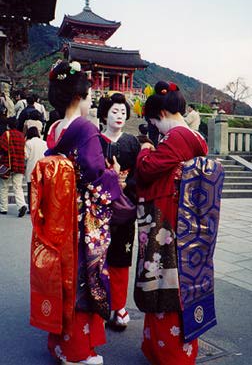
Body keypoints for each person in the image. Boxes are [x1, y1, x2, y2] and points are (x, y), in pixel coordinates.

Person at [30, 60, 121, 365]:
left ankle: (58, 343)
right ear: (78, 97)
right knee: (83, 278)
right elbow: (95, 173)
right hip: (81, 218)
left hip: (58, 218)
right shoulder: (85, 128)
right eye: (90, 95)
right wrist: (113, 177)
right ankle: (76, 351)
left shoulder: (54, 129)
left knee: (62, 277)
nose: (92, 101)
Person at [134, 89, 209, 365]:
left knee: (165, 282)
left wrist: (144, 151)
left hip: (169, 219)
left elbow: (149, 169)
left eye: (155, 123)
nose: (155, 129)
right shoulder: (196, 137)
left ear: (162, 115)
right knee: (181, 282)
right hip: (189, 220)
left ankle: (170, 353)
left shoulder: (177, 136)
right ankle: (162, 347)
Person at [98, 93, 140, 330]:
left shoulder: (132, 142)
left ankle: (120, 305)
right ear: (104, 114)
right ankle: (100, 302)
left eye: (123, 112)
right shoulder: (95, 140)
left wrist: (125, 184)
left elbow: (138, 176)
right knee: (98, 256)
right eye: (115, 112)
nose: (119, 116)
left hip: (124, 208)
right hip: (100, 208)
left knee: (121, 257)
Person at [0, 117, 27, 217]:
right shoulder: (21, 135)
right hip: (19, 164)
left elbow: (2, 147)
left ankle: (3, 208)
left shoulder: (6, 134)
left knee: (4, 187)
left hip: (7, 164)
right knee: (18, 187)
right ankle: (21, 205)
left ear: (8, 125)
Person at [24, 126, 47, 213]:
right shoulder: (44, 143)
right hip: (42, 169)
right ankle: (41, 208)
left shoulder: (28, 143)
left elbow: (26, 156)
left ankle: (32, 208)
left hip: (31, 169)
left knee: (31, 190)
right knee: (41, 189)